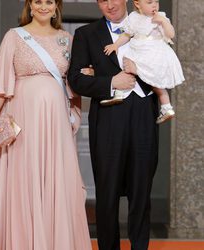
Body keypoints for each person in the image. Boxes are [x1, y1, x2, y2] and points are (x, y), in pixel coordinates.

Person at [0, 0, 93, 249]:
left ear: (56, 7)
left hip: (56, 123)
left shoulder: (67, 39)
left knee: (58, 179)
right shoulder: (14, 37)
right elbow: (0, 84)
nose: (44, 6)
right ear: (30, 6)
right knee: (26, 177)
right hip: (24, 118)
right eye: (38, 1)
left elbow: (72, 84)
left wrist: (76, 109)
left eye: (49, 2)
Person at [68, 0, 159, 249]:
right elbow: (75, 79)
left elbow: (166, 67)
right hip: (108, 120)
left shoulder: (150, 26)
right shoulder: (86, 34)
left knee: (141, 191)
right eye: (102, 0)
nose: (109, 4)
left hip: (143, 117)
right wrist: (110, 82)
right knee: (107, 194)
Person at [103, 0, 185, 124]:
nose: (154, 5)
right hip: (138, 50)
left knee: (156, 83)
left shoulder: (160, 17)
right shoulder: (134, 17)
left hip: (153, 53)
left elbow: (171, 34)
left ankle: (166, 106)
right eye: (149, 2)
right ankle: (120, 93)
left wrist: (163, 22)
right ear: (137, 4)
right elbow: (127, 35)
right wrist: (115, 45)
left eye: (156, 2)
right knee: (127, 62)